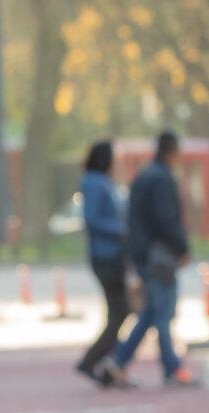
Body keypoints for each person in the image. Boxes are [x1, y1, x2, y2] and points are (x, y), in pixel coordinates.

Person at [102, 132, 195, 389]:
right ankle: (172, 368)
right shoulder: (162, 178)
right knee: (162, 312)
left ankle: (118, 361)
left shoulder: (144, 175)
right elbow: (166, 219)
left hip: (143, 254)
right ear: (172, 151)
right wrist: (182, 247)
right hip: (159, 257)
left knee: (152, 312)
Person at [76, 141, 131, 386]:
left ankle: (111, 366)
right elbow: (93, 219)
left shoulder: (101, 182)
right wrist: (121, 230)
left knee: (117, 312)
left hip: (110, 254)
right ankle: (93, 360)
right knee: (120, 312)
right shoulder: (95, 182)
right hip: (106, 255)